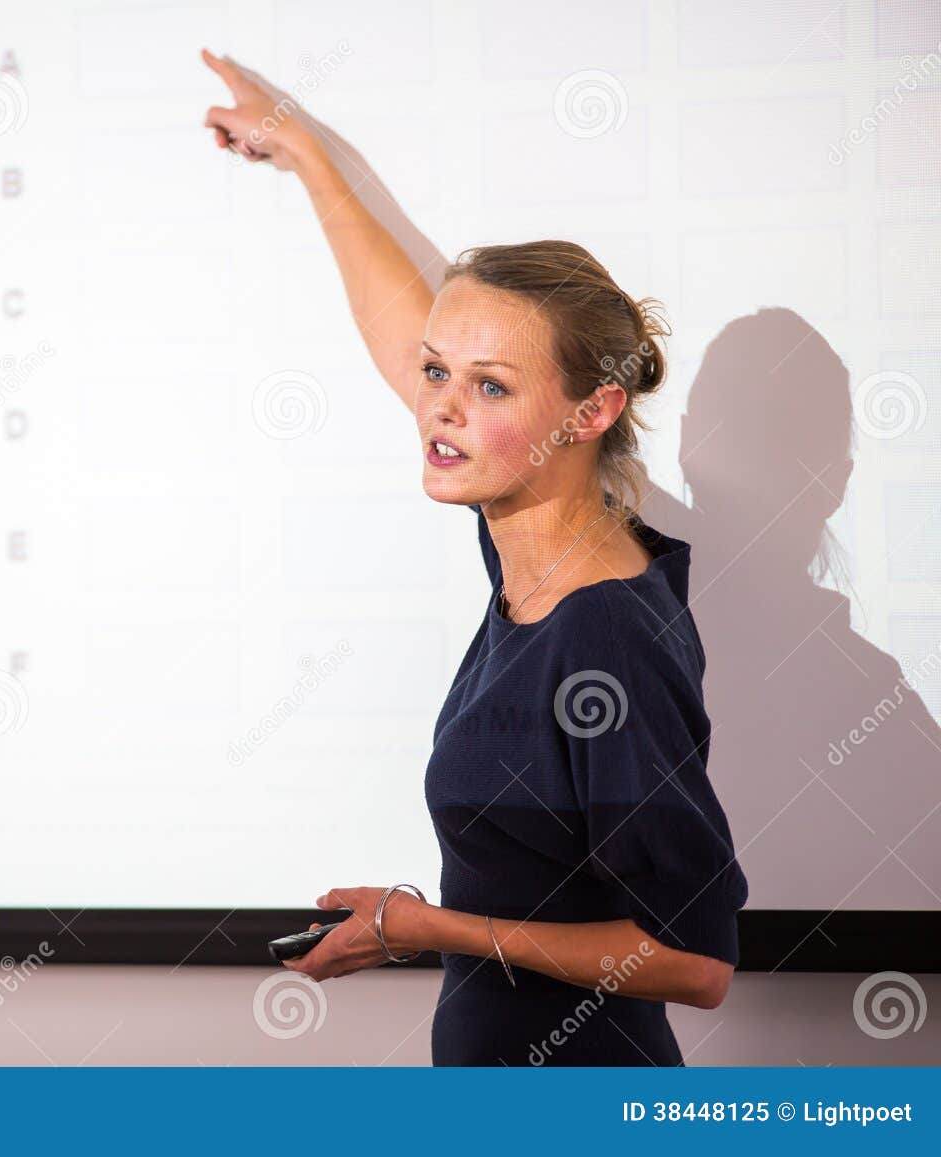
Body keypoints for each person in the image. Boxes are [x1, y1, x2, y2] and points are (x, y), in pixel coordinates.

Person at [202, 48, 749, 1066]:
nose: (440, 407)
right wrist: (308, 156)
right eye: (436, 374)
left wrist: (422, 927)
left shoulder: (605, 637)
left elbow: (693, 961)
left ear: (591, 412)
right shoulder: (533, 546)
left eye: (490, 385)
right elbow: (402, 331)